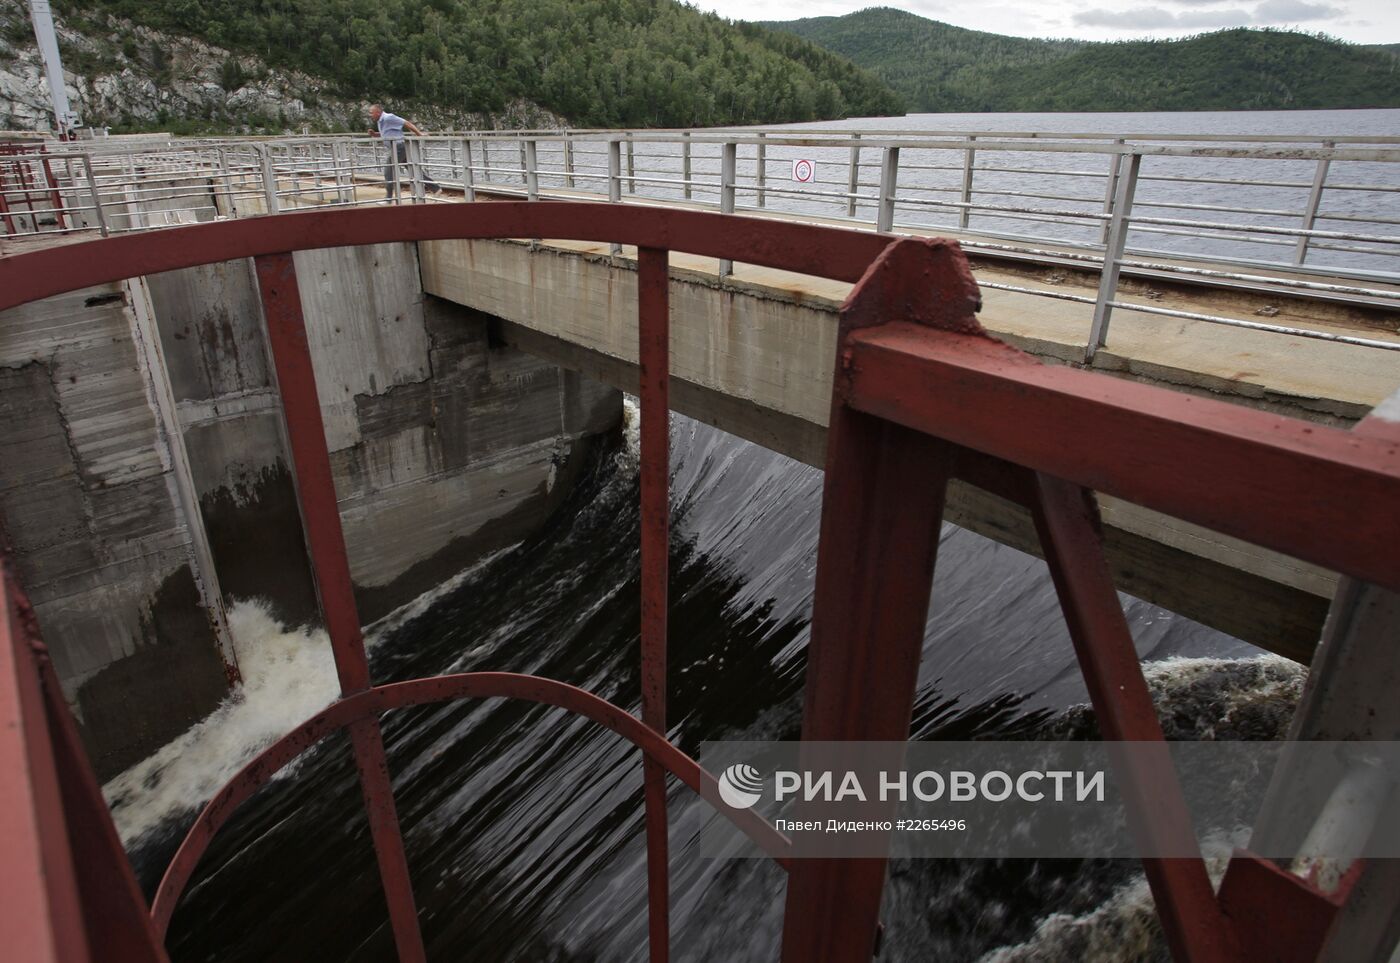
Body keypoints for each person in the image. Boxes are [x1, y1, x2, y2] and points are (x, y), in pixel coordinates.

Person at [369, 104, 439, 198]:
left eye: (371, 113)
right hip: (397, 147)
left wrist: (419, 134)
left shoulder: (388, 118)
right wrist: (375, 134)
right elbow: (386, 134)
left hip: (399, 147)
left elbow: (407, 123)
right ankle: (436, 189)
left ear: (378, 112)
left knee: (388, 170)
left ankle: (388, 199)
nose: (370, 115)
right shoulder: (380, 121)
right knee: (413, 170)